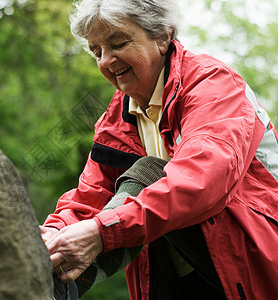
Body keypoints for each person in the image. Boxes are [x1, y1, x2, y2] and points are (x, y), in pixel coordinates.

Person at [40, 0, 278, 299]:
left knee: (149, 171)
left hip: (247, 264)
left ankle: (57, 288)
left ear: (163, 37)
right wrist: (51, 237)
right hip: (170, 276)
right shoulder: (115, 121)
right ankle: (47, 279)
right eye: (97, 51)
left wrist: (103, 232)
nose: (106, 60)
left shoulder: (212, 85)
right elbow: (90, 197)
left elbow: (200, 180)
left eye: (118, 43)